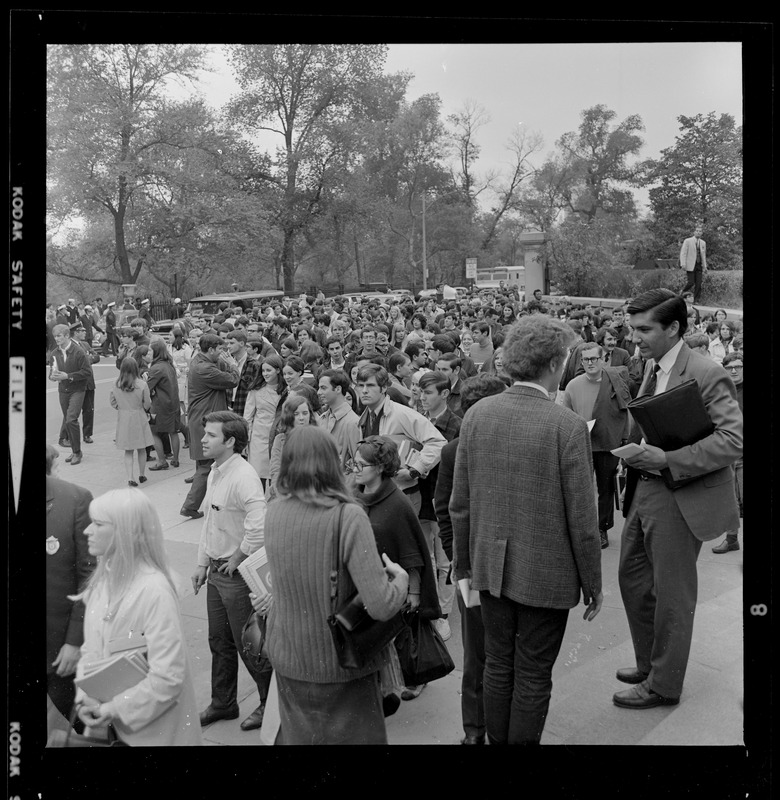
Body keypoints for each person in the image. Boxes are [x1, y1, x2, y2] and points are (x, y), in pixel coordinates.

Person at [450, 315, 603, 745]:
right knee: (533, 674)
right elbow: (583, 521)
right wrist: (593, 584)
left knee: (498, 664)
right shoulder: (566, 425)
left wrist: (463, 566)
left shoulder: (478, 414)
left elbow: (460, 504)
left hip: (490, 568)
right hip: (546, 574)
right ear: (555, 363)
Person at [614, 288, 742, 709]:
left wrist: (667, 458)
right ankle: (651, 663)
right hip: (646, 490)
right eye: (633, 328)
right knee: (633, 580)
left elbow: (733, 441)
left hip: (680, 494)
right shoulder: (652, 364)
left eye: (644, 329)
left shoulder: (707, 372)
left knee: (672, 595)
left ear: (674, 328)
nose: (635, 337)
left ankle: (663, 685)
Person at [263, 426, 409, 744]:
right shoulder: (348, 516)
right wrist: (401, 581)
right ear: (332, 463)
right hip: (338, 662)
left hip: (288, 655)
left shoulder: (274, 512)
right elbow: (381, 604)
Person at [73, 488, 202, 745]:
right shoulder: (101, 585)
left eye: (98, 524)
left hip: (160, 735)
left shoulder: (155, 592)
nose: (87, 531)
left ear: (124, 532)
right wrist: (84, 699)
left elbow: (168, 678)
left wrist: (110, 709)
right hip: (118, 731)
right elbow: (90, 651)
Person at [434, 374, 508, 745]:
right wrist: (457, 559)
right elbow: (445, 509)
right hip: (473, 570)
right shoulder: (454, 451)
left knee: (504, 656)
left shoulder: (518, 444)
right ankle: (474, 731)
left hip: (513, 566)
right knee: (476, 656)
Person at [191, 411, 272, 732]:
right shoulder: (216, 472)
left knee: (249, 644)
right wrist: (201, 564)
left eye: (210, 435)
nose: (203, 440)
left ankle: (270, 703)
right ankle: (223, 703)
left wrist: (238, 557)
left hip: (236, 578)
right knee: (219, 641)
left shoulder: (244, 476)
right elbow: (211, 523)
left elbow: (259, 525)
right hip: (215, 572)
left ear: (230, 442)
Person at [561, 341, 632, 549]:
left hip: (608, 443)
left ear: (604, 359)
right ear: (581, 361)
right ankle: (581, 529)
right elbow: (566, 415)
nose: (590, 363)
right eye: (586, 359)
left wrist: (625, 441)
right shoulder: (573, 385)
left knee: (606, 489)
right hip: (581, 443)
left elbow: (624, 412)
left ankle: (602, 528)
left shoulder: (615, 382)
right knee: (579, 489)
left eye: (594, 358)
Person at [46, 445, 96, 729]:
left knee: (75, 724)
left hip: (57, 649)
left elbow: (89, 575)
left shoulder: (73, 499)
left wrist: (74, 641)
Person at [180, 334, 240, 520]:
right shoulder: (205, 368)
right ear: (211, 349)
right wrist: (233, 365)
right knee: (206, 466)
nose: (223, 353)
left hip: (200, 419)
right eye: (220, 349)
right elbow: (232, 380)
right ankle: (190, 506)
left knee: (203, 465)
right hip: (205, 421)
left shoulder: (199, 360)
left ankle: (193, 504)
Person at [711, 351, 744, 554]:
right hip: (728, 452)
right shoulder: (721, 391)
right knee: (730, 500)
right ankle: (732, 539)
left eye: (738, 367)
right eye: (730, 367)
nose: (734, 371)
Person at [48, 323, 93, 465]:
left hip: (78, 389)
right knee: (68, 420)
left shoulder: (78, 351)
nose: (56, 339)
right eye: (55, 336)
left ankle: (77, 453)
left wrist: (67, 376)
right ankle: (74, 451)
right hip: (63, 390)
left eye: (59, 336)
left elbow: (87, 372)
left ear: (67, 335)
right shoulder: (54, 353)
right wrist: (52, 376)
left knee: (71, 419)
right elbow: (51, 372)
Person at [244, 354, 287, 490]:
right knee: (258, 476)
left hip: (278, 435)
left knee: (276, 473)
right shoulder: (255, 391)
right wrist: (246, 439)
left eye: (269, 370)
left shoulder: (286, 391)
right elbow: (248, 416)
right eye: (263, 371)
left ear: (278, 370)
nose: (265, 374)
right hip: (258, 438)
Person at [110, 358, 154, 486]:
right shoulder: (141, 384)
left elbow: (113, 402)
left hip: (124, 418)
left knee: (128, 451)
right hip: (139, 416)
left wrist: (122, 408)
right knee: (142, 448)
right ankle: (142, 474)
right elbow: (147, 403)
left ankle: (130, 477)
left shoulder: (116, 384)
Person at [267, 394, 320, 500]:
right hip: (284, 493)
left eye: (305, 413)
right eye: (296, 414)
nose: (301, 418)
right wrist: (282, 495)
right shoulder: (280, 440)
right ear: (289, 416)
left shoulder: (318, 438)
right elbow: (276, 471)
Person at [145, 340, 182, 470]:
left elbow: (147, 388)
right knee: (173, 431)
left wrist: (145, 379)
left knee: (153, 432)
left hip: (160, 405)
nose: (148, 353)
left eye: (150, 350)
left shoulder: (156, 368)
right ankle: (176, 460)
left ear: (156, 351)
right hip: (173, 403)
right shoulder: (168, 364)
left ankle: (162, 461)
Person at [317, 369, 360, 472]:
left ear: (338, 389)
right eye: (319, 388)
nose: (319, 392)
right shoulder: (321, 418)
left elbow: (357, 464)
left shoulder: (353, 422)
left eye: (323, 388)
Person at [71, 323, 100, 445]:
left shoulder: (86, 344)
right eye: (82, 330)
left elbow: (97, 356)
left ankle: (87, 434)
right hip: (77, 384)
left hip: (88, 382)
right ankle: (70, 436)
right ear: (76, 332)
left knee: (89, 410)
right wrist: (87, 360)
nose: (85, 332)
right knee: (73, 412)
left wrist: (89, 359)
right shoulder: (70, 346)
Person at [680, 223, 707, 303]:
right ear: (694, 232)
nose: (698, 232)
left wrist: (705, 266)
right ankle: (682, 291)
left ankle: (696, 300)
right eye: (697, 231)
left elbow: (703, 255)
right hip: (690, 265)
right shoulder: (687, 241)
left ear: (702, 233)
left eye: (700, 231)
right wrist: (683, 263)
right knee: (691, 282)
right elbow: (683, 253)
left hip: (699, 265)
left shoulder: (703, 243)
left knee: (698, 284)